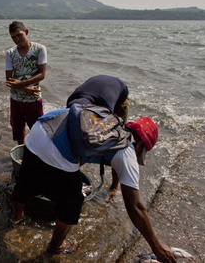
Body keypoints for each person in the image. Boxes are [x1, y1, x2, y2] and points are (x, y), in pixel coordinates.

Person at [10, 76, 178, 262]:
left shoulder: (108, 120)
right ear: (141, 146)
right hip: (55, 147)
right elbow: (136, 206)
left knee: (28, 176)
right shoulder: (127, 150)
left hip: (41, 129)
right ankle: (56, 246)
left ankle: (17, 216)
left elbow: (79, 142)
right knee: (73, 201)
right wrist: (156, 246)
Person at [65, 74, 131, 202]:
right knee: (76, 140)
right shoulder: (70, 105)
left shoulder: (102, 112)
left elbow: (98, 140)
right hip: (100, 89)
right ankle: (72, 168)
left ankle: (114, 188)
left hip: (119, 96)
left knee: (116, 142)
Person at [5, 21, 47, 145]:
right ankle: (22, 152)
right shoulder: (10, 53)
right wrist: (25, 89)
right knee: (18, 131)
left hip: (33, 98)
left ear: (26, 32)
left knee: (38, 130)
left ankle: (37, 154)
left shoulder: (39, 49)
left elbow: (42, 74)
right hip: (16, 99)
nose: (17, 39)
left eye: (19, 35)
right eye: (13, 37)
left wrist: (21, 84)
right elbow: (9, 79)